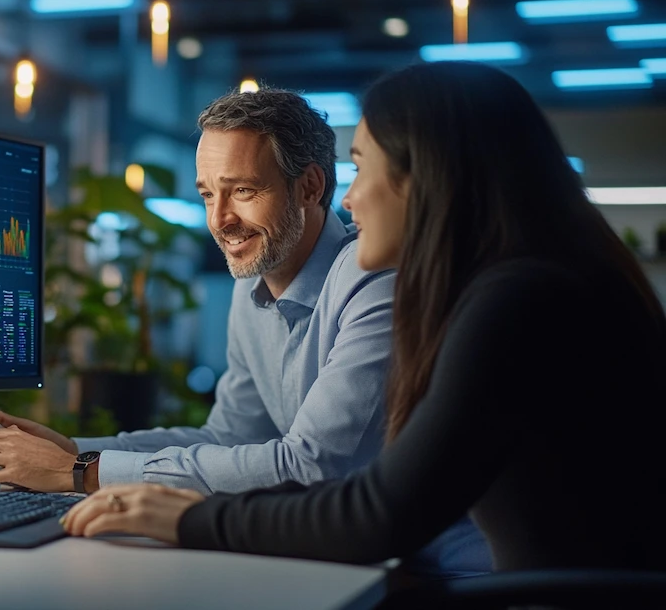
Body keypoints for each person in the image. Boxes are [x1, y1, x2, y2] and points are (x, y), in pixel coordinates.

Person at [59, 61, 666, 573]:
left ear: (428, 178)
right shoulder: (530, 286)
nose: (347, 198)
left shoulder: (517, 304)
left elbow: (377, 514)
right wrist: (80, 457)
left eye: (362, 166)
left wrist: (183, 515)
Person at [0, 87, 491, 577]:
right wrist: (73, 447)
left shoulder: (376, 280)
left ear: (310, 186)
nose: (221, 220)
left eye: (243, 190)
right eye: (207, 195)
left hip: (439, 576)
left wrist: (84, 471)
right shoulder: (254, 285)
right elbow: (231, 437)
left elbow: (310, 466)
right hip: (347, 562)